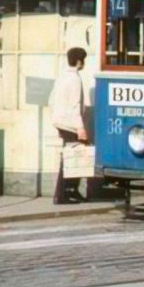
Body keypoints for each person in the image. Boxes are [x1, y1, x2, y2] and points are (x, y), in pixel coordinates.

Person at [50, 47, 90, 204]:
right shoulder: (74, 78)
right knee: (73, 158)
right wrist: (81, 128)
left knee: (70, 157)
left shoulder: (62, 76)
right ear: (79, 61)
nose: (84, 63)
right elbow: (75, 105)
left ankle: (68, 192)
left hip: (61, 121)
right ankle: (65, 194)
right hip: (71, 124)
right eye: (83, 60)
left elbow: (51, 100)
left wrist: (55, 119)